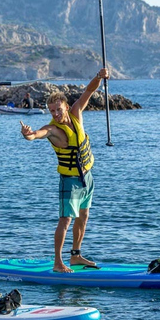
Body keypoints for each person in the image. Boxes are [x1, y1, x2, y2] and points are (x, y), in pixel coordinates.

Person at [19, 68, 109, 273]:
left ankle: (75, 256)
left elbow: (88, 91)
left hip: (87, 177)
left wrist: (98, 76)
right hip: (70, 181)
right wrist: (28, 135)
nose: (56, 114)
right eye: (52, 111)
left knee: (83, 217)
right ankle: (58, 262)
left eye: (58, 109)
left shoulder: (76, 114)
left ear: (66, 107)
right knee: (65, 220)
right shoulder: (53, 130)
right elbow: (38, 134)